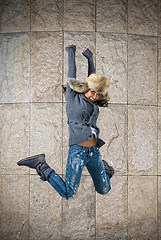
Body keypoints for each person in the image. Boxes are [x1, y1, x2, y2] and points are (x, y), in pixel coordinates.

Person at [17, 45, 114, 200]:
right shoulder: (73, 97)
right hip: (78, 151)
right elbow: (71, 75)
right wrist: (71, 52)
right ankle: (40, 164)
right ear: (85, 88)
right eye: (92, 92)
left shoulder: (93, 103)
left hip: (93, 151)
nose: (94, 96)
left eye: (98, 94)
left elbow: (92, 78)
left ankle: (106, 170)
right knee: (68, 192)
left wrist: (90, 59)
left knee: (104, 189)